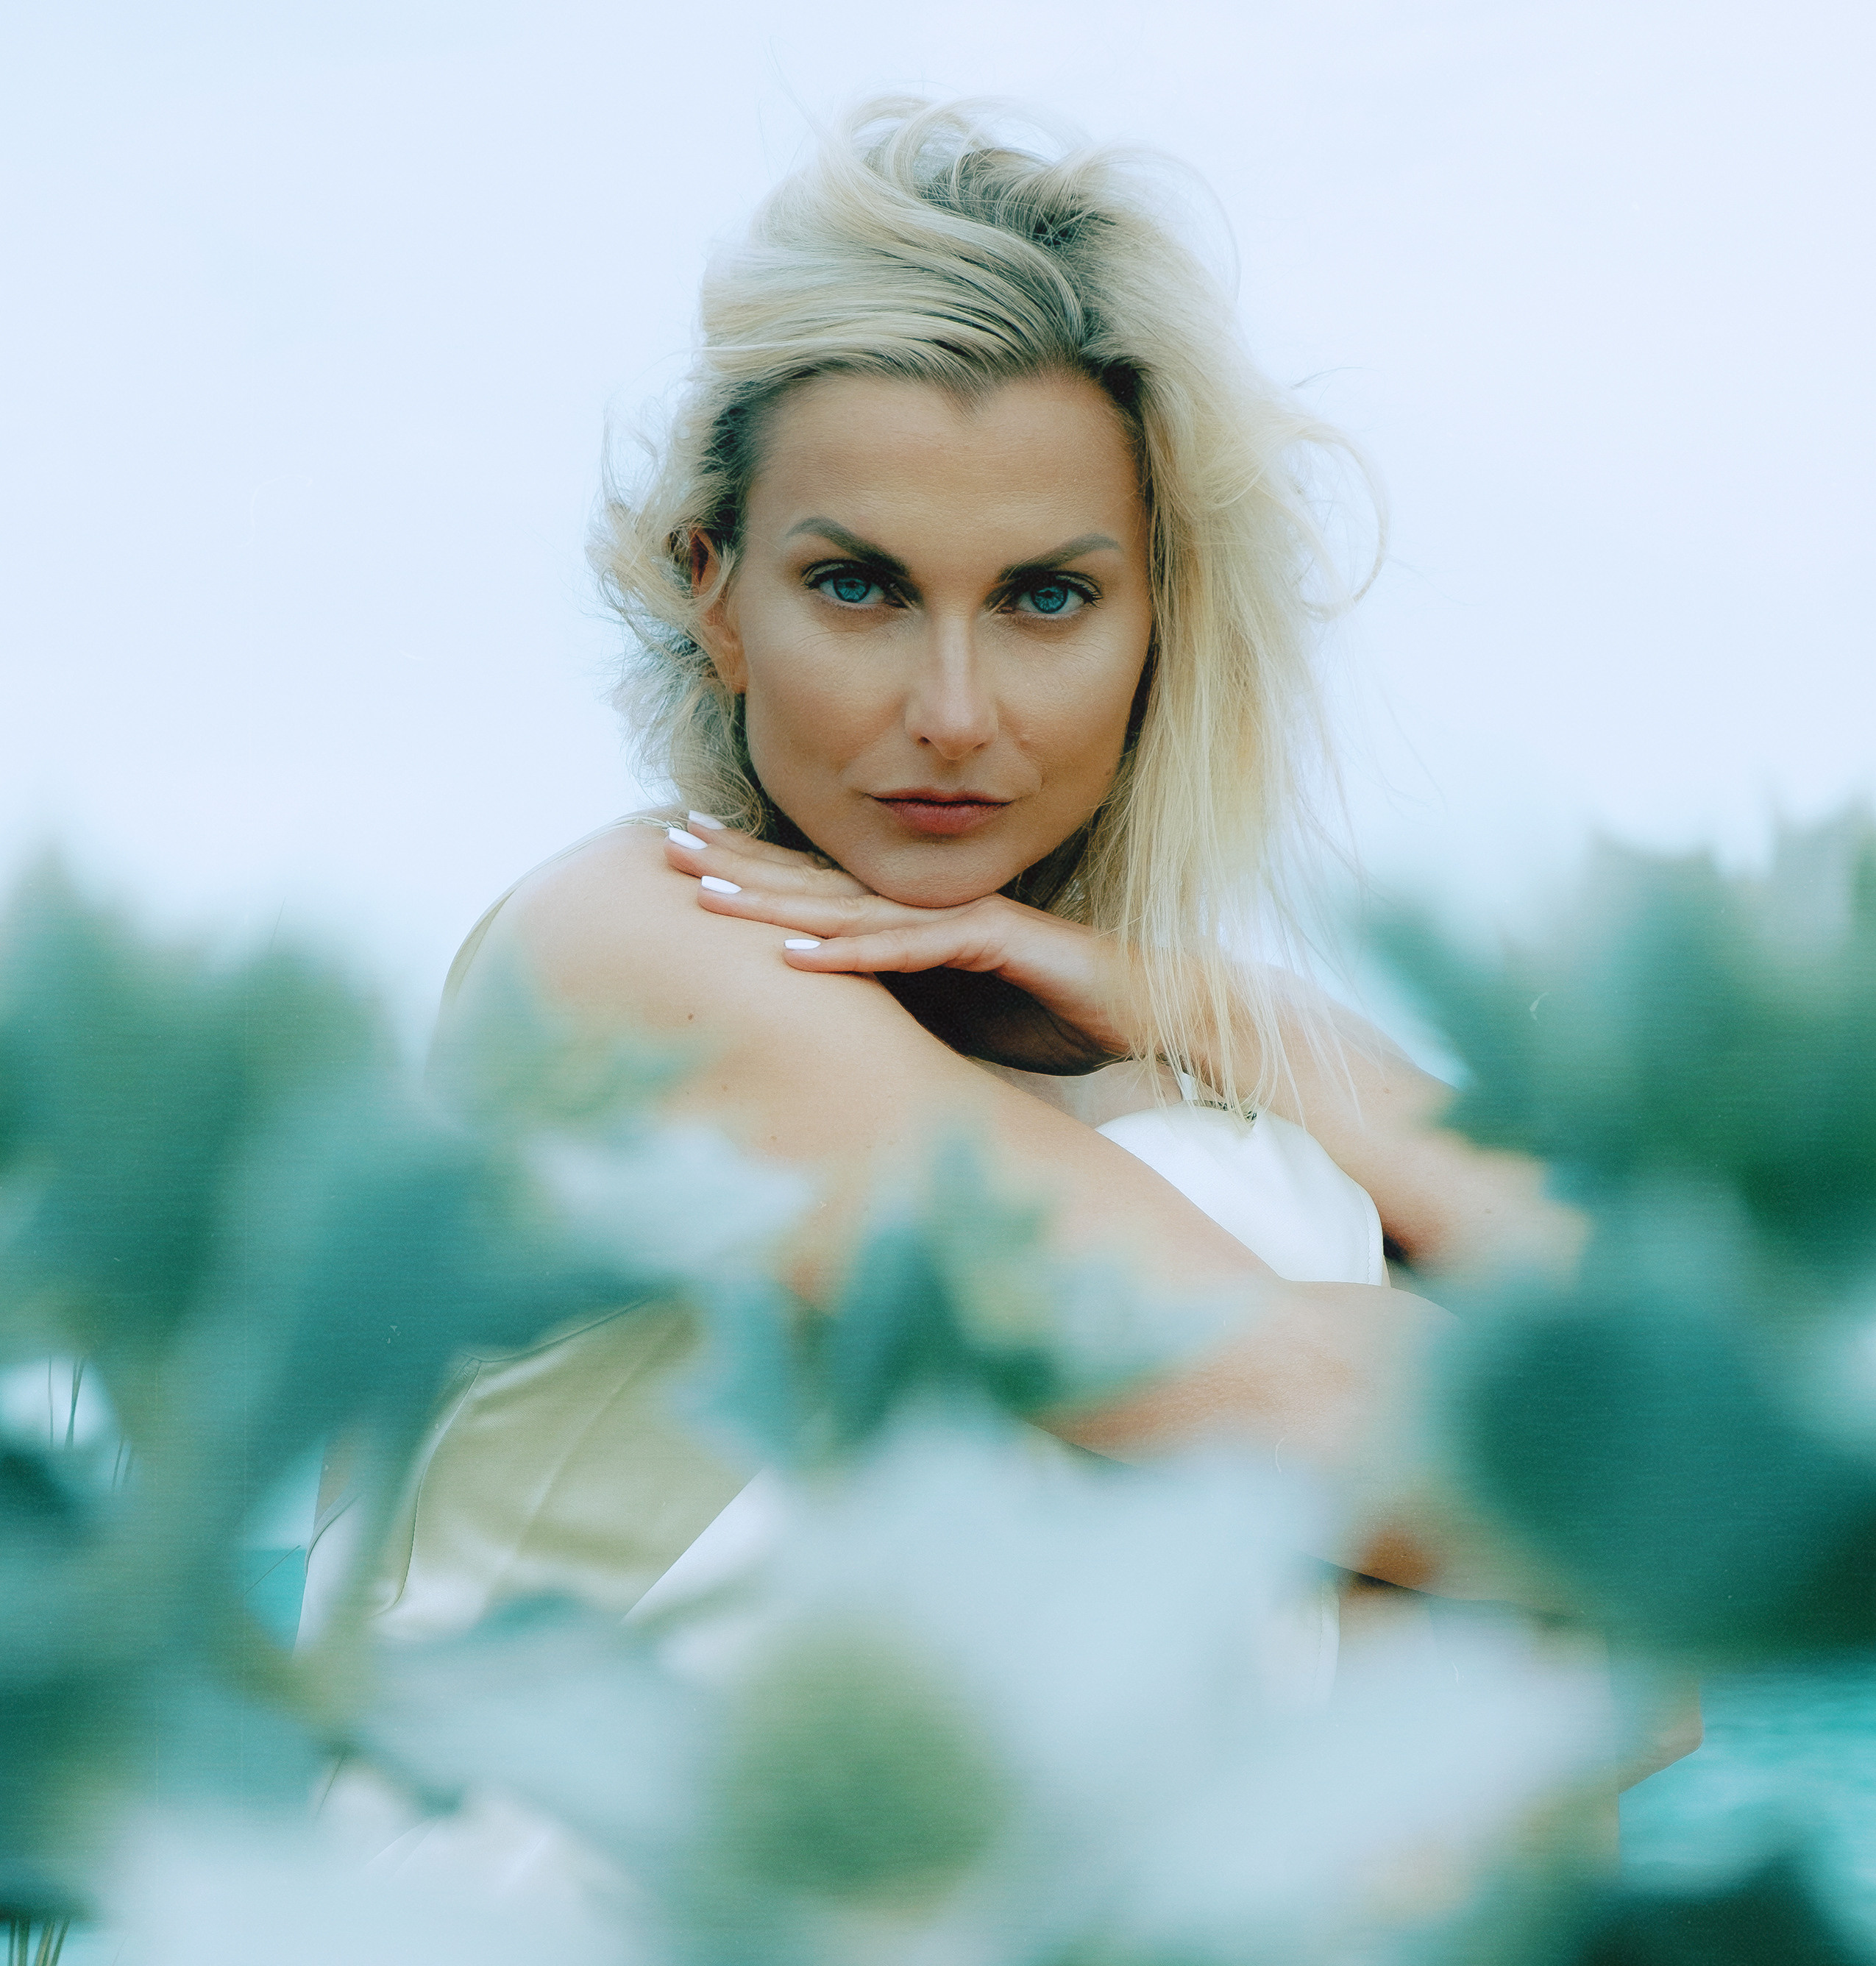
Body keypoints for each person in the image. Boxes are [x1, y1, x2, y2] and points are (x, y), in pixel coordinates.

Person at [310, 96, 1581, 1672]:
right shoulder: (631, 945)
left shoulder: (1165, 1050)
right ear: (717, 595)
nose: (955, 711)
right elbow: (1351, 1418)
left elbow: (1683, 1374)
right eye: (858, 587)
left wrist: (1205, 1001)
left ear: (1159, 623)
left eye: (1047, 596)